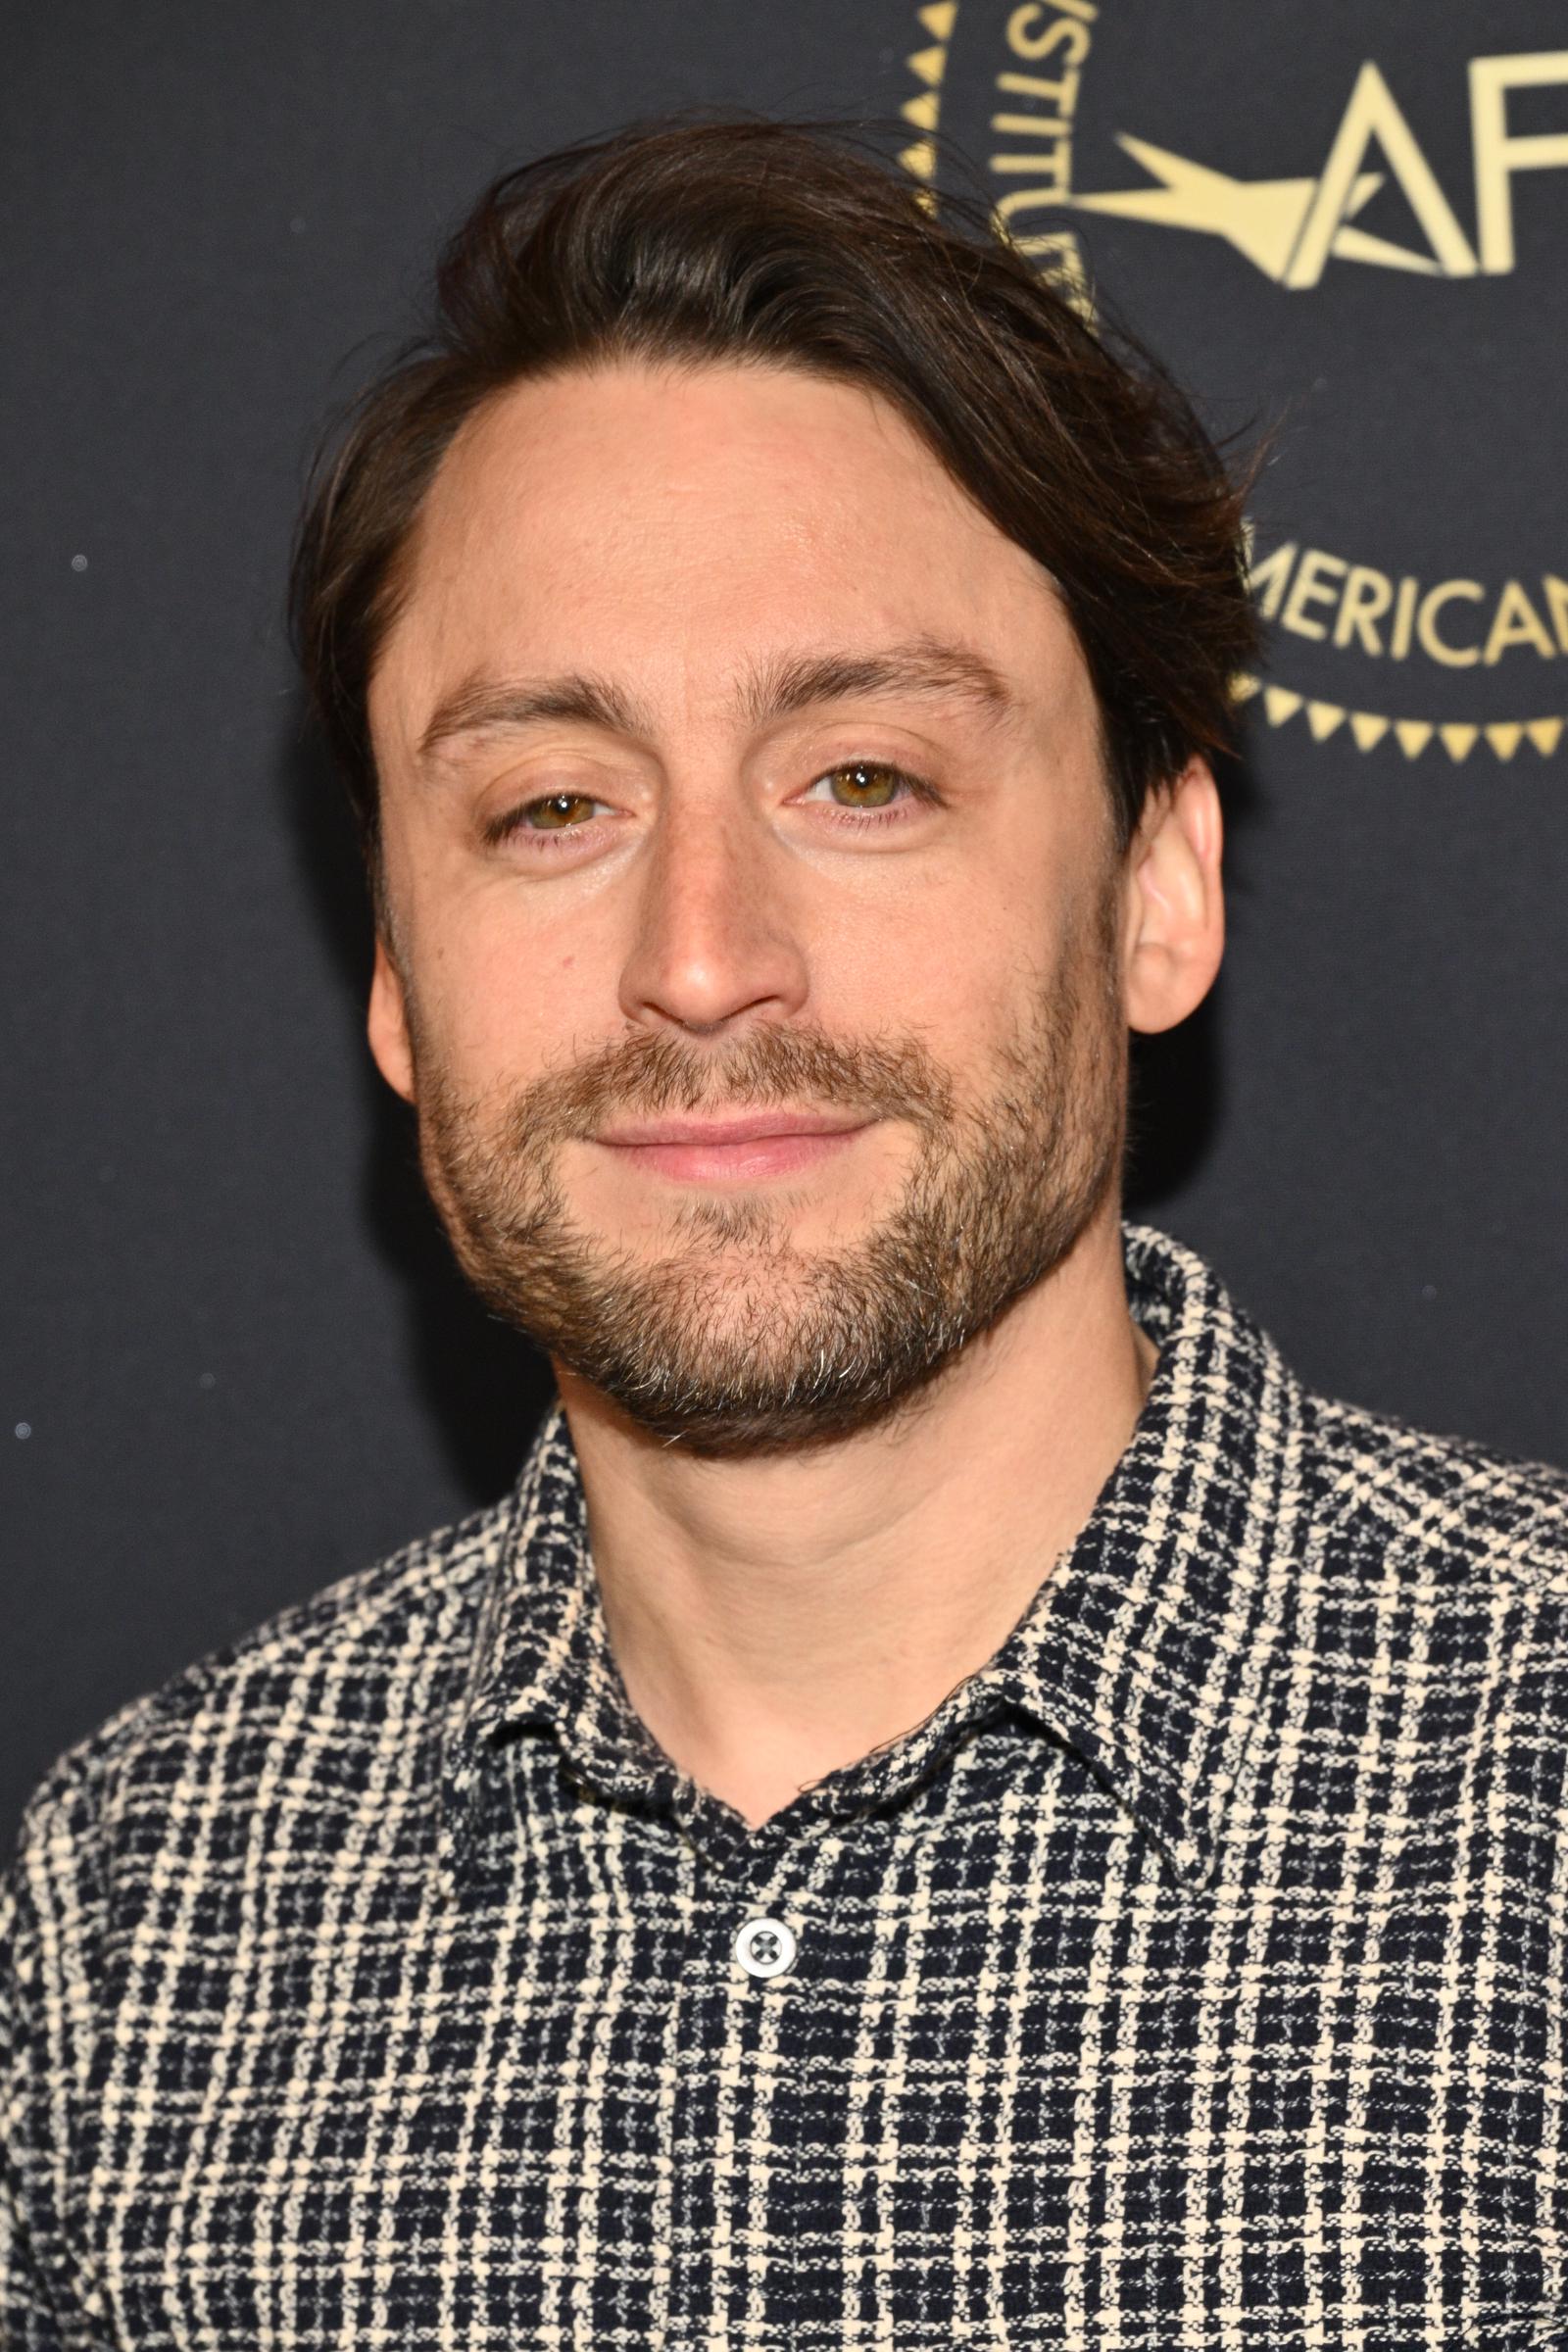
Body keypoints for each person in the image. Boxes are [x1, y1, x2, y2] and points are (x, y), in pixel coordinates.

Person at [4, 117, 1566, 2352]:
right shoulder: (135, 1932)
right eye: (551, 806)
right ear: (391, 980)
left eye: (863, 779)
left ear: (1156, 889)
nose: (703, 956)